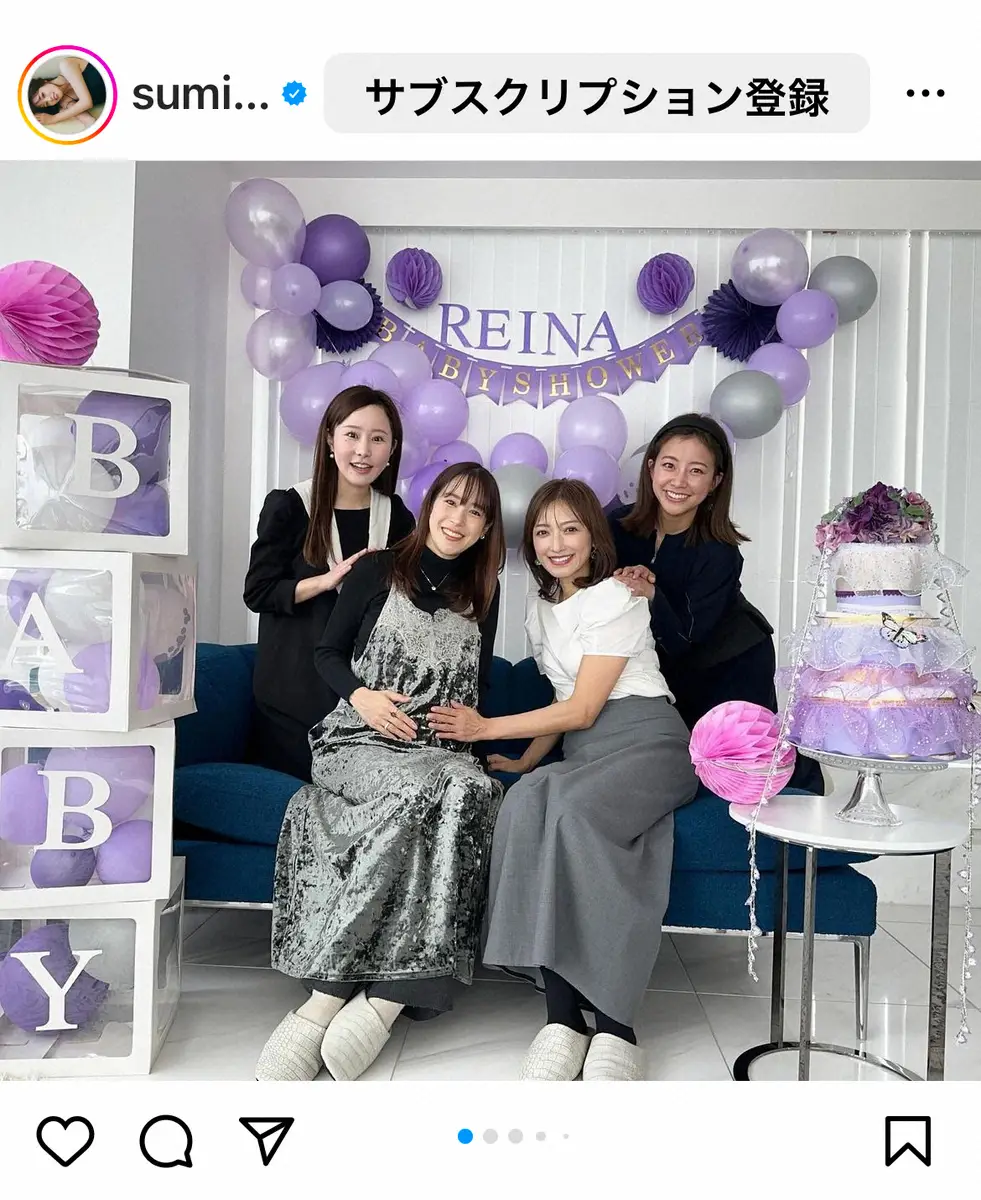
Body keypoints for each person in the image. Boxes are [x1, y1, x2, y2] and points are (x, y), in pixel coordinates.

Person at [428, 480, 697, 1082]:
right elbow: (563, 700)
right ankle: (562, 1019)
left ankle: (616, 1025)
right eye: (543, 531)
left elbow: (585, 707)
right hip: (587, 750)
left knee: (573, 813)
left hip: (650, 741)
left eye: (570, 529)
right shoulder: (540, 609)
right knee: (525, 803)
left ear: (593, 537)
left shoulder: (618, 598)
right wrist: (526, 763)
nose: (556, 544)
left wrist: (485, 729)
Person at [257, 463, 507, 1082]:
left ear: (486, 529)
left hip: (441, 750)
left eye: (475, 512)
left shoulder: (484, 591)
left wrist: (474, 725)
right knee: (424, 791)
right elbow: (327, 653)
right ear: (429, 505)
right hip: (358, 738)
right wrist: (362, 696)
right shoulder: (376, 569)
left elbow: (478, 681)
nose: (458, 519)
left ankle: (388, 1000)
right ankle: (325, 999)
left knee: (473, 790)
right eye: (451, 502)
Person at [608, 412, 824, 794]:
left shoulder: (719, 550)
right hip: (661, 664)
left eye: (696, 471)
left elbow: (687, 638)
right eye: (669, 465)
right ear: (651, 467)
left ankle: (805, 799)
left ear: (715, 481)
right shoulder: (616, 526)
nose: (679, 481)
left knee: (741, 762)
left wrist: (651, 593)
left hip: (730, 661)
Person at [243, 386, 414, 781]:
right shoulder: (290, 506)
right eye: (352, 435)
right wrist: (325, 581)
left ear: (392, 450)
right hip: (292, 693)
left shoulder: (396, 517)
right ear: (330, 439)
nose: (363, 451)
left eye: (378, 439)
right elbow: (257, 592)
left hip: (363, 695)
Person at [28, 57, 106, 129]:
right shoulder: (65, 101)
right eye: (46, 104)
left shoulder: (66, 65)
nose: (49, 99)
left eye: (43, 95)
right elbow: (89, 120)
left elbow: (86, 103)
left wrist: (53, 119)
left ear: (44, 82)